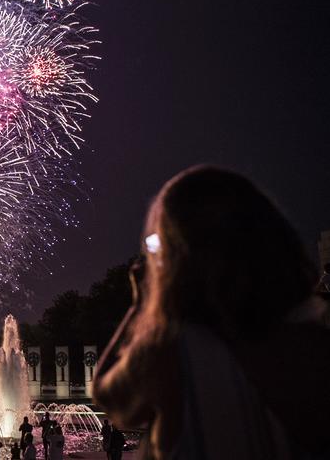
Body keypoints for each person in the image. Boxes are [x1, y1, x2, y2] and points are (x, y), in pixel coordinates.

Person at [93, 166, 330, 458]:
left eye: (158, 246)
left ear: (181, 259)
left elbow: (111, 399)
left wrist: (141, 303)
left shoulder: (173, 352)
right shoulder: (317, 344)